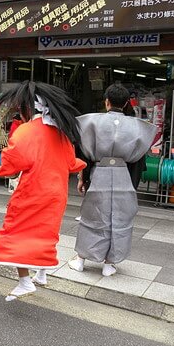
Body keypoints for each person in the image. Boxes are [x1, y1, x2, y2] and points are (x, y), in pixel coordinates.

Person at [0, 81, 86, 301]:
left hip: (33, 193)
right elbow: (71, 162)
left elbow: (11, 164)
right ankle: (41, 273)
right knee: (46, 234)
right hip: (56, 193)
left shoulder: (27, 132)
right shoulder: (61, 132)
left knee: (17, 235)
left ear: (28, 108)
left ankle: (24, 282)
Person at [68, 84, 157, 276]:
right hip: (123, 174)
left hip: (98, 172)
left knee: (91, 216)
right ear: (126, 103)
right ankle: (109, 264)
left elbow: (84, 155)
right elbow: (139, 160)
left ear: (106, 101)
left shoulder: (90, 122)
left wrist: (81, 178)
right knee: (120, 218)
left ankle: (81, 260)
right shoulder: (137, 127)